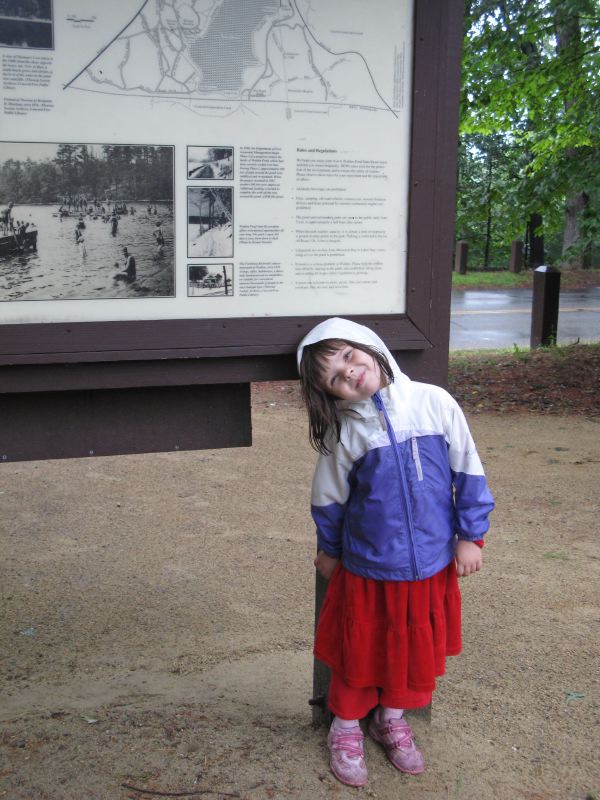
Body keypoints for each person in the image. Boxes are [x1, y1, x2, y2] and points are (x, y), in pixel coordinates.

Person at [297, 318, 494, 788]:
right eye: (334, 378)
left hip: (431, 563)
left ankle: (393, 718)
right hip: (369, 567)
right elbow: (328, 498)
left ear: (368, 346)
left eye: (347, 356)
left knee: (413, 649)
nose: (349, 373)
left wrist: (471, 536)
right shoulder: (345, 433)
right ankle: (345, 728)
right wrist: (330, 550)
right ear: (331, 395)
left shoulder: (434, 402)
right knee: (360, 649)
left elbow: (468, 470)